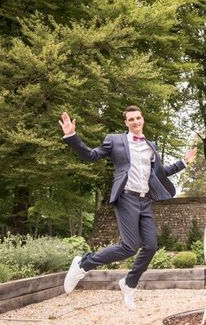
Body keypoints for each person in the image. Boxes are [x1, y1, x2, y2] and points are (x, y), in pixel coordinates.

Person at [60, 105, 196, 309]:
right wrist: (72, 136)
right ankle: (83, 264)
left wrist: (183, 162)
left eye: (138, 118)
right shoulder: (115, 141)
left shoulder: (151, 145)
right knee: (129, 247)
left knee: (150, 246)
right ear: (126, 123)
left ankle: (129, 283)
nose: (135, 121)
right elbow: (91, 155)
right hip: (126, 198)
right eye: (131, 119)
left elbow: (160, 172)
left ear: (143, 120)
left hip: (145, 200)